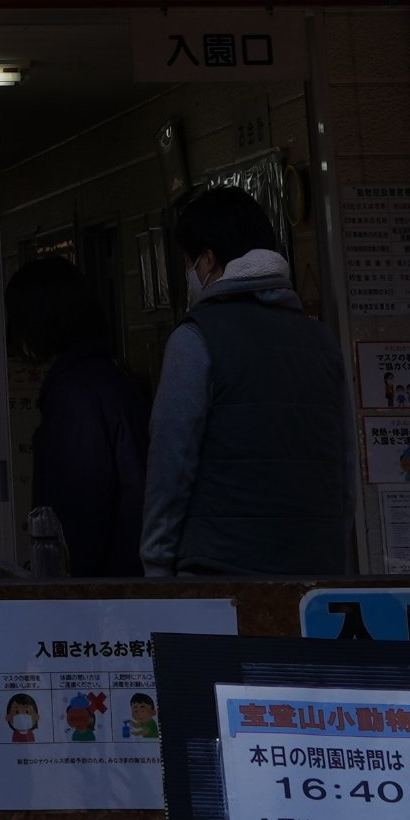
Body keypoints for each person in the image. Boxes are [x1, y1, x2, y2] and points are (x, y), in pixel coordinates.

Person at [137, 183, 354, 578]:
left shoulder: (196, 337)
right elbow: (343, 463)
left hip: (219, 567)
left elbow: (171, 460)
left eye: (189, 262)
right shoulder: (321, 341)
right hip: (314, 569)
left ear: (207, 260)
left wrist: (156, 564)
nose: (189, 275)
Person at [6, 253, 148, 576]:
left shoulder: (75, 394)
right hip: (126, 576)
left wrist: (64, 583)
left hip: (98, 587)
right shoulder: (107, 380)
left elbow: (81, 507)